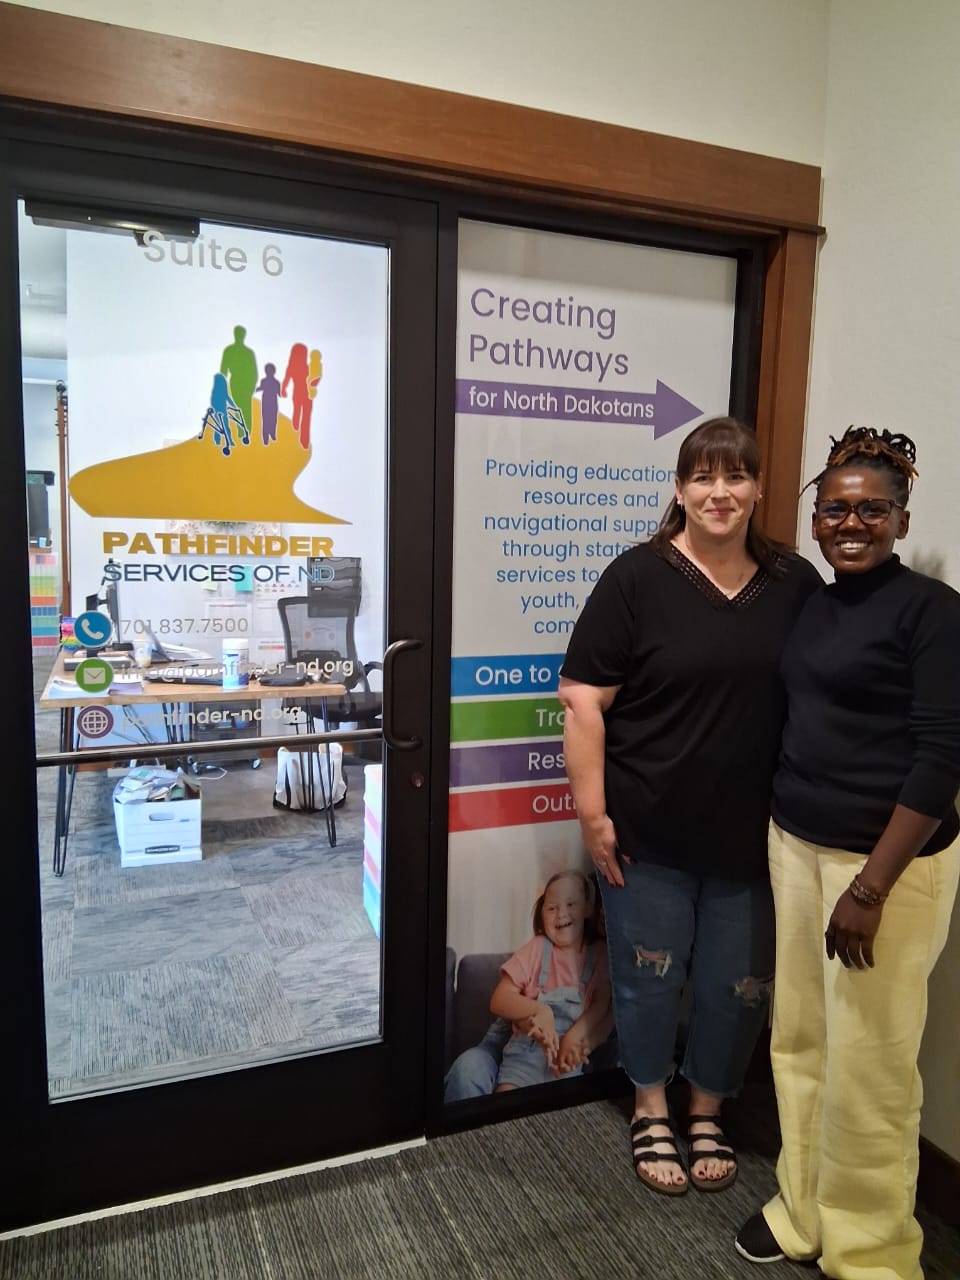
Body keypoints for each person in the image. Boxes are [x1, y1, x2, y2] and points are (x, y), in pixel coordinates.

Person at [559, 416, 822, 1196]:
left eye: (735, 476)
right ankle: (650, 1106)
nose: (719, 492)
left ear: (758, 487)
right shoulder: (636, 578)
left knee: (738, 986)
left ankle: (707, 1107)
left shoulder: (795, 584)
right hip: (648, 832)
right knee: (648, 977)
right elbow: (582, 700)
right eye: (703, 477)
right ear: (679, 490)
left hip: (758, 838)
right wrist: (594, 817)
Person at [736, 427, 960, 1279]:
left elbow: (942, 757)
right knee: (797, 1042)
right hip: (796, 845)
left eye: (872, 510)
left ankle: (872, 1252)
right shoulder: (815, 602)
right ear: (815, 518)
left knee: (871, 1063)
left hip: (886, 870)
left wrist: (869, 889)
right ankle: (804, 1211)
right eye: (835, 510)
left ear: (902, 520)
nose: (851, 524)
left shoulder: (933, 613)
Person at [490, 870, 611, 1090]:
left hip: (567, 1060)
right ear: (541, 913)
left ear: (587, 908)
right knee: (507, 1105)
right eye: (552, 908)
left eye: (571, 904)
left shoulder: (599, 954)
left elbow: (601, 1004)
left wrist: (575, 1036)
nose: (561, 914)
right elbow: (499, 999)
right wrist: (540, 1010)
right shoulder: (537, 948)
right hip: (524, 1058)